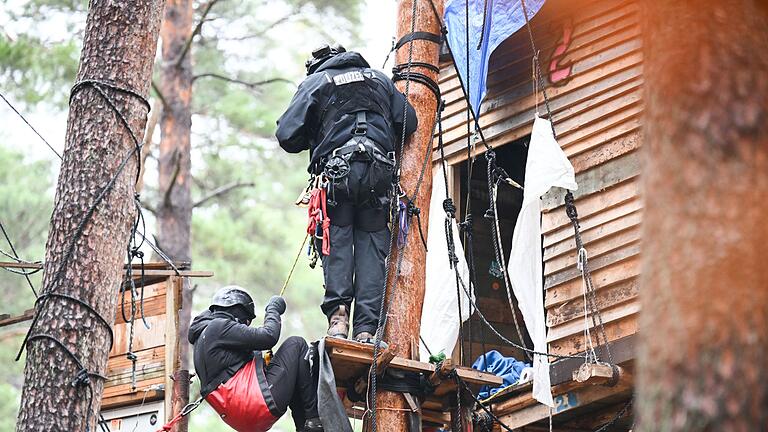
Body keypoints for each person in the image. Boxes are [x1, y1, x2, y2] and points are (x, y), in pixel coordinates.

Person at [275, 44, 418, 343]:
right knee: (370, 248)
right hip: (378, 177)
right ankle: (367, 329)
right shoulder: (379, 80)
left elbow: (287, 135)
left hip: (337, 176)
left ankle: (339, 321)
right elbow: (410, 122)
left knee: (336, 242)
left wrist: (317, 131)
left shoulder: (316, 82)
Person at [188, 286, 322, 432]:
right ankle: (313, 419)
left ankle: (305, 427)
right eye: (246, 321)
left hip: (240, 417)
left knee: (294, 369)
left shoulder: (204, 338)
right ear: (236, 310)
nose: (245, 325)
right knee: (296, 344)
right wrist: (273, 310)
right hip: (253, 404)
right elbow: (268, 336)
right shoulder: (218, 327)